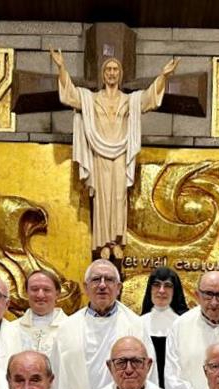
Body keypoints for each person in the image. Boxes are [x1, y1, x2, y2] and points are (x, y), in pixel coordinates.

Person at [50, 49, 179, 259]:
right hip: (99, 153)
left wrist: (163, 76)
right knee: (102, 199)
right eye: (108, 69)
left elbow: (149, 99)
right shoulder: (91, 99)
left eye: (115, 70)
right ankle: (102, 243)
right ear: (103, 74)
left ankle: (117, 241)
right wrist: (61, 66)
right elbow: (70, 95)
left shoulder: (130, 101)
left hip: (120, 152)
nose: (111, 73)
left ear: (120, 74)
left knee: (119, 198)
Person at [54, 260, 148, 389]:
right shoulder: (66, 329)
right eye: (96, 279)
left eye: (109, 280)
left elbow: (149, 376)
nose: (102, 285)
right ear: (85, 287)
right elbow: (55, 379)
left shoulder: (136, 326)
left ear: (118, 288)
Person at [0, 269, 68, 361]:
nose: (40, 295)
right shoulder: (10, 330)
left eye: (46, 290)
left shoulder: (72, 328)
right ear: (26, 292)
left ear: (57, 294)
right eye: (34, 289)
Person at [139, 267, 188, 388]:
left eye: (167, 286)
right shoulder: (138, 324)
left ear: (175, 290)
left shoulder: (183, 324)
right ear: (150, 289)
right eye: (156, 285)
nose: (161, 290)